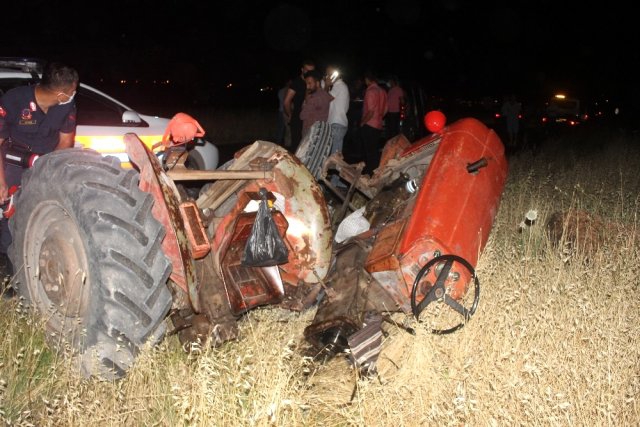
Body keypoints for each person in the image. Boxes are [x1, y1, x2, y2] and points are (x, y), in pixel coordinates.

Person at [0, 62, 79, 287]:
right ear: (61, 93)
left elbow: (65, 142)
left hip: (45, 163)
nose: (74, 95)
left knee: (41, 214)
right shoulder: (14, 100)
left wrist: (46, 173)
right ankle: (10, 277)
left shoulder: (67, 106)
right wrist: (1, 181)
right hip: (11, 163)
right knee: (10, 217)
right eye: (72, 91)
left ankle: (37, 266)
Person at [283, 59, 315, 152]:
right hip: (297, 119)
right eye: (307, 70)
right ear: (302, 70)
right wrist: (290, 115)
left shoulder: (313, 83)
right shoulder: (297, 82)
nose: (309, 72)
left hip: (309, 119)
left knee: (307, 147)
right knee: (296, 146)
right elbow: (286, 101)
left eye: (311, 71)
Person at [360, 70, 387, 175]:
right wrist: (379, 117)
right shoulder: (383, 91)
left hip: (370, 124)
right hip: (378, 124)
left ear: (367, 79)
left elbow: (370, 112)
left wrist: (362, 122)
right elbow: (385, 109)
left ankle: (369, 172)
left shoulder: (370, 91)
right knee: (374, 150)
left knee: (368, 151)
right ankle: (375, 172)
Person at [323, 64, 350, 157]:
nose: (328, 76)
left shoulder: (340, 86)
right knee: (334, 155)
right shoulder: (336, 86)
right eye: (327, 74)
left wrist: (326, 85)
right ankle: (334, 171)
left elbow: (326, 98)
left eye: (330, 74)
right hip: (337, 124)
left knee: (335, 156)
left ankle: (335, 171)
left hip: (337, 124)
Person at [299, 69, 333, 136]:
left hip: (310, 133)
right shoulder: (326, 95)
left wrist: (305, 102)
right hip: (320, 132)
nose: (307, 86)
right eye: (306, 84)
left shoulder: (313, 98)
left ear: (317, 83)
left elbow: (302, 116)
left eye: (309, 83)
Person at [276, 77, 291, 146]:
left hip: (281, 111)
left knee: (281, 129)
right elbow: (286, 102)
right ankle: (285, 144)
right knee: (286, 129)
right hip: (284, 111)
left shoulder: (281, 91)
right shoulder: (288, 91)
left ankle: (279, 143)